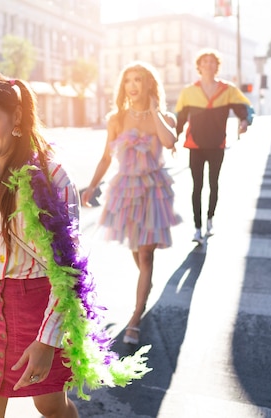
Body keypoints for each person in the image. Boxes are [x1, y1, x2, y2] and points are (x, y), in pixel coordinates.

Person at [0, 74, 150, 418]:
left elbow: (67, 268)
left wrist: (47, 340)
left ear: (17, 118)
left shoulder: (52, 177)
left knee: (51, 406)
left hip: (36, 310)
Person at [81, 61, 180, 346]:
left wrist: (153, 110)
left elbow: (170, 141)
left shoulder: (164, 117)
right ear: (123, 86)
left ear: (149, 84)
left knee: (146, 256)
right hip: (125, 192)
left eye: (139, 80)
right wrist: (92, 185)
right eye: (129, 80)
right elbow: (106, 157)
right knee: (138, 255)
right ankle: (145, 288)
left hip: (153, 191)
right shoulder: (116, 119)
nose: (133, 85)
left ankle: (136, 316)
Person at [174, 48, 251, 243]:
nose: (208, 64)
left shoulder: (228, 90)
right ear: (199, 66)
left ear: (217, 66)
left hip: (217, 144)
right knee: (197, 186)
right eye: (205, 61)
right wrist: (173, 138)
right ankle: (197, 228)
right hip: (195, 145)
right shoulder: (189, 91)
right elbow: (180, 118)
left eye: (212, 61)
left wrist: (244, 121)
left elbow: (245, 108)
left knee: (213, 185)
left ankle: (210, 219)